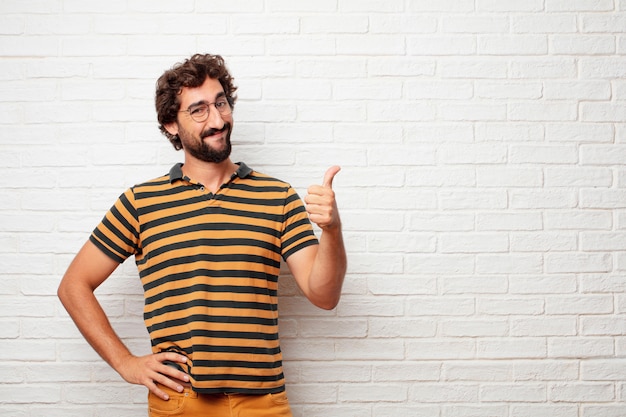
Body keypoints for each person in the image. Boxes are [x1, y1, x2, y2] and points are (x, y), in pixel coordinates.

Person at [57, 53, 347, 417]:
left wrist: (332, 231)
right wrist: (125, 363)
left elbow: (324, 296)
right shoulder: (140, 202)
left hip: (264, 403)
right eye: (198, 110)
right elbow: (73, 286)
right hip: (179, 401)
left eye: (221, 103)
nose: (217, 119)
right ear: (170, 125)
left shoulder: (278, 197)